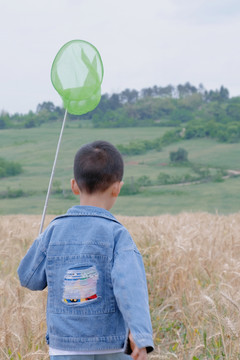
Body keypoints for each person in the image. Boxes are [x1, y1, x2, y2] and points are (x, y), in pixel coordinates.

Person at [18, 140, 154, 360]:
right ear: (117, 187)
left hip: (65, 347)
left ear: (74, 185)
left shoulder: (54, 231)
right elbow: (131, 287)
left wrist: (40, 240)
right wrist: (140, 335)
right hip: (111, 345)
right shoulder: (118, 235)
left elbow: (27, 278)